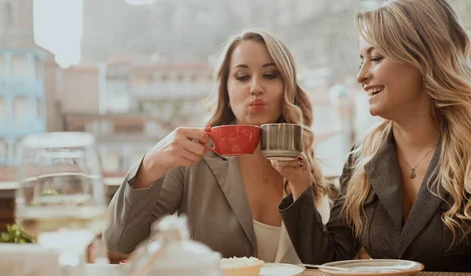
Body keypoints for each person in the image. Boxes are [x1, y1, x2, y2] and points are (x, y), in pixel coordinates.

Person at [273, 0, 471, 273]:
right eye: (361, 60)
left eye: (375, 58)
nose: (361, 75)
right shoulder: (363, 158)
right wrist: (298, 181)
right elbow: (329, 260)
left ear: (423, 58)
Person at [103, 29, 330, 264]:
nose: (255, 87)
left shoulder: (306, 166)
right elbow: (118, 241)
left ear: (288, 85)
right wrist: (151, 163)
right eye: (242, 76)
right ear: (226, 89)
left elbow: (325, 261)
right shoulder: (192, 159)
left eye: (270, 74)